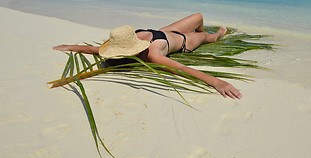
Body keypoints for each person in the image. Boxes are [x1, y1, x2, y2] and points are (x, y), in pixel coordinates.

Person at [53, 13, 241, 99]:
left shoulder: (126, 40)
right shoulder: (154, 56)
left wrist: (70, 46)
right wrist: (217, 82)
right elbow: (183, 69)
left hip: (163, 32)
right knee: (207, 37)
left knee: (198, 17)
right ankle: (214, 35)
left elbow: (96, 50)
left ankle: (203, 30)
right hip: (183, 42)